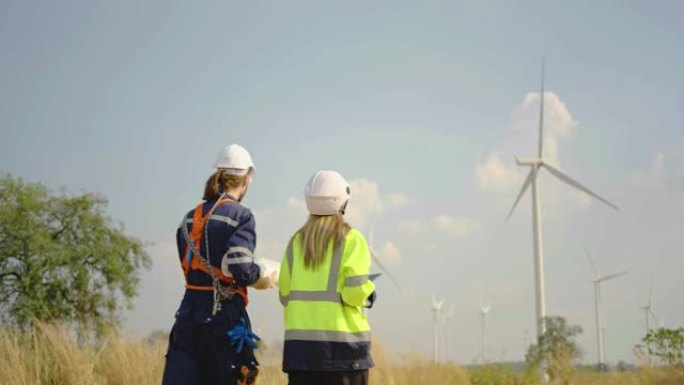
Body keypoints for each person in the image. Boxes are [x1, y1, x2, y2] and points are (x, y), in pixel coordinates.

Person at [162, 144, 276, 385]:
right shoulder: (240, 216)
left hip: (188, 315)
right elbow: (241, 269)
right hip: (224, 317)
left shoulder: (188, 217)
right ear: (245, 179)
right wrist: (264, 272)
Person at [278, 170, 377, 385]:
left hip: (301, 355)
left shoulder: (295, 243)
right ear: (343, 203)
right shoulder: (352, 239)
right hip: (343, 354)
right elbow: (355, 291)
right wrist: (369, 293)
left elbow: (285, 294)